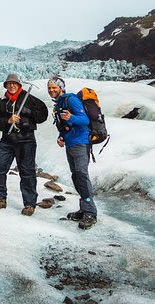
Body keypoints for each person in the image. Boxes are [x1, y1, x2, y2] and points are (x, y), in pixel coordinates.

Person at [0, 73, 48, 216]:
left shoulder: (29, 99)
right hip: (7, 140)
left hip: (26, 140)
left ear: (19, 85)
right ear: (6, 85)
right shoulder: (2, 103)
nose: (12, 85)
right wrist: (7, 121)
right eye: (9, 83)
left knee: (27, 172)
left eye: (14, 83)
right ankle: (0, 198)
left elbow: (43, 115)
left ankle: (29, 204)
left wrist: (28, 112)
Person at [47, 76, 97, 230]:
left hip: (81, 143)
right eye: (49, 88)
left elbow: (85, 120)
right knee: (76, 176)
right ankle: (84, 209)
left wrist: (71, 117)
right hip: (70, 144)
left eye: (54, 87)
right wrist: (61, 137)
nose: (51, 90)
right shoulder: (59, 104)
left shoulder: (71, 100)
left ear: (61, 87)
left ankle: (90, 213)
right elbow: (64, 126)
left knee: (81, 174)